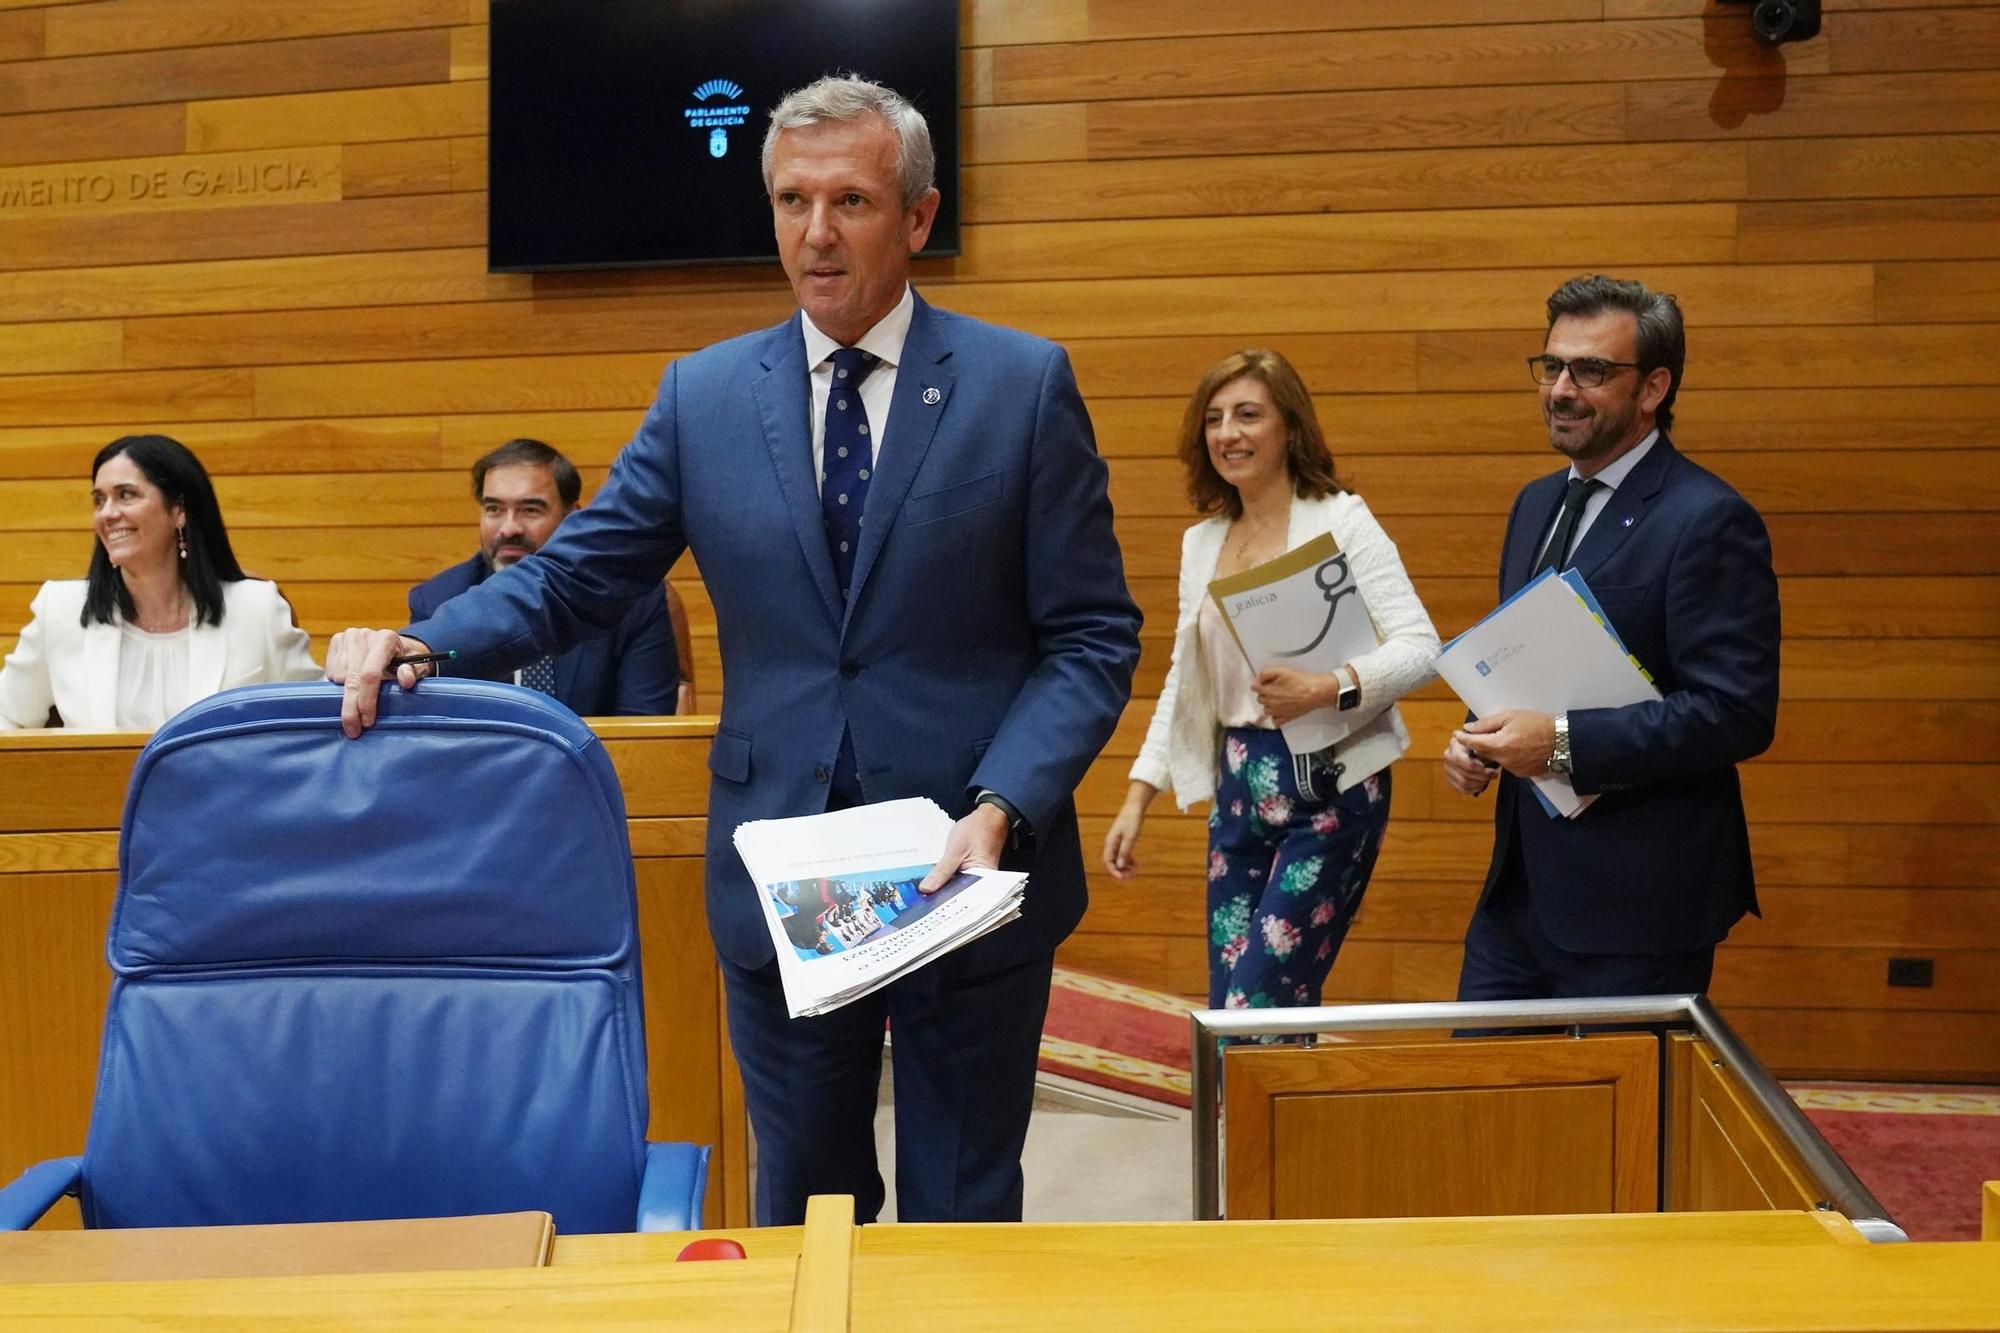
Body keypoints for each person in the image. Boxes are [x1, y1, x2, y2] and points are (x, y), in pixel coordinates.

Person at [324, 76, 1140, 1226]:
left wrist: (1004, 801)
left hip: (969, 865)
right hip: (785, 879)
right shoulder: (703, 396)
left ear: (915, 216)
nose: (816, 232)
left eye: (851, 199)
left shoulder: (1019, 385)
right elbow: (578, 573)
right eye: (791, 199)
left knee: (962, 1211)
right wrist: (423, 639)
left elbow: (1091, 634)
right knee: (807, 1201)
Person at [1442, 275, 1781, 1001]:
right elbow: (1538, 661)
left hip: (1641, 904)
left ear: (1653, 387)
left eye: (1591, 370)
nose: (1561, 389)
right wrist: (1482, 736)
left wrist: (1559, 743)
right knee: (1479, 1096)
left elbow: (1736, 712)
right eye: (1552, 365)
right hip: (1519, 892)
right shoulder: (1534, 504)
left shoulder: (1707, 518)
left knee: (1619, 1115)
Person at [1103, 349, 1440, 1011]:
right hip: (1238, 784)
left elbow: (1423, 648)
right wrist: (1139, 793)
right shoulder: (1202, 541)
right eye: (1214, 418)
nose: (1228, 432)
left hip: (1331, 783)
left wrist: (1329, 684)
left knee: (1257, 1004)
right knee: (1236, 1004)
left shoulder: (1341, 518)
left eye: (1248, 414)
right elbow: (1184, 676)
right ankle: (1257, 1119)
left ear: (1289, 427)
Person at [0, 434, 320, 731]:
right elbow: (7, 717)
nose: (107, 513)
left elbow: (317, 722)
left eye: (126, 495)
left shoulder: (256, 608)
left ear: (179, 510)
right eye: (99, 500)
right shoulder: (59, 609)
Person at [407, 438, 679, 716]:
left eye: (530, 510)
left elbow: (643, 732)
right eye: (494, 509)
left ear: (573, 517)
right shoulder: (437, 602)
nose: (509, 528)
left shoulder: (633, 601)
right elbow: (431, 729)